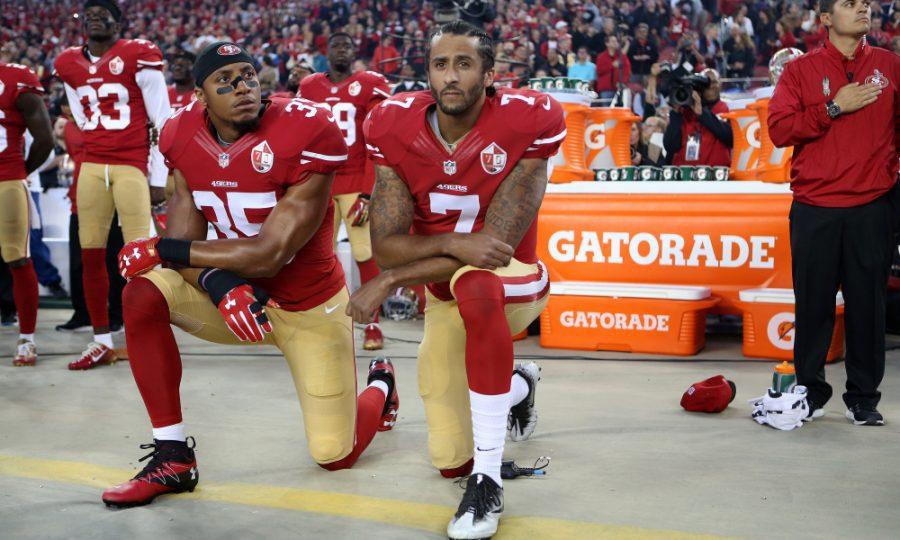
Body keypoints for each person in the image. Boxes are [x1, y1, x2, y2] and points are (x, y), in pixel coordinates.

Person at [103, 42, 399, 507]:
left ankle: (381, 385)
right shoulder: (181, 134)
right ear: (201, 97)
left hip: (308, 307)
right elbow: (184, 254)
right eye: (226, 80)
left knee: (333, 454)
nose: (243, 87)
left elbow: (270, 255)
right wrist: (221, 285)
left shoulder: (305, 129)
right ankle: (174, 456)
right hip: (238, 301)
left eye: (249, 75)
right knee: (142, 293)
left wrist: (160, 247)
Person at [351, 21, 559, 539]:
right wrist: (448, 243)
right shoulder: (392, 126)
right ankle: (518, 386)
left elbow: (494, 249)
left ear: (489, 75)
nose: (451, 76)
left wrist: (389, 280)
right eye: (441, 64)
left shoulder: (526, 120)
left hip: (514, 279)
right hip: (445, 294)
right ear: (427, 73)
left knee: (476, 282)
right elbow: (388, 243)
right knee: (448, 460)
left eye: (464, 64)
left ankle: (488, 480)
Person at [768, 0, 900, 426]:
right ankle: (810, 391)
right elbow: (780, 130)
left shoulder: (890, 66)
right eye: (850, 3)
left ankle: (864, 399)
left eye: (866, 3)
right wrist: (833, 107)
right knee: (813, 307)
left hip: (873, 206)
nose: (863, 8)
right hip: (814, 207)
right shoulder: (798, 71)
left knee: (868, 306)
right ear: (825, 19)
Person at [53, 0, 171, 370]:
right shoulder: (68, 63)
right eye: (89, 15)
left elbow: (163, 119)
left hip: (131, 165)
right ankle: (101, 340)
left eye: (103, 15)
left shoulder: (138, 54)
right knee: (90, 253)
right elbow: (79, 113)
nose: (95, 20)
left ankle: (145, 332)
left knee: (141, 257)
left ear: (118, 24)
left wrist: (158, 178)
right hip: (91, 166)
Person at [299, 32, 392, 350]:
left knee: (365, 254)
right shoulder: (310, 86)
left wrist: (370, 191)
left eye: (347, 45)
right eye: (336, 45)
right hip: (321, 184)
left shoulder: (369, 83)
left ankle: (372, 324)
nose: (342, 49)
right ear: (326, 50)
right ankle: (319, 321)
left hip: (354, 183)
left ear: (354, 51)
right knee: (315, 255)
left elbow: (378, 137)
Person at [0, 60, 54, 366]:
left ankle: (27, 338)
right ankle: (26, 340)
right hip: (8, 178)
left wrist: (20, 171)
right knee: (18, 259)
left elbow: (45, 139)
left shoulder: (16, 78)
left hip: (7, 179)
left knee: (18, 258)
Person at [663, 68, 732, 167]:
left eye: (714, 82)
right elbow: (670, 147)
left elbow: (731, 138)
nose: (711, 86)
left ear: (720, 85)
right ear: (699, 87)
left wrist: (702, 113)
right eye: (707, 83)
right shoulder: (682, 111)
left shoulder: (728, 108)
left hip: (715, 175)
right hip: (685, 175)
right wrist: (676, 113)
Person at [595, 34, 631, 100]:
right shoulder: (601, 57)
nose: (615, 43)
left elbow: (627, 71)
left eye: (616, 41)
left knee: (619, 109)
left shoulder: (621, 56)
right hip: (606, 89)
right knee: (606, 110)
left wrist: (623, 82)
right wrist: (612, 65)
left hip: (620, 88)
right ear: (607, 43)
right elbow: (599, 71)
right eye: (613, 41)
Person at [168, 49, 196, 114]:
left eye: (181, 66)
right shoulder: (164, 94)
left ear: (193, 68)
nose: (177, 68)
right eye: (175, 65)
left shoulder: (203, 96)